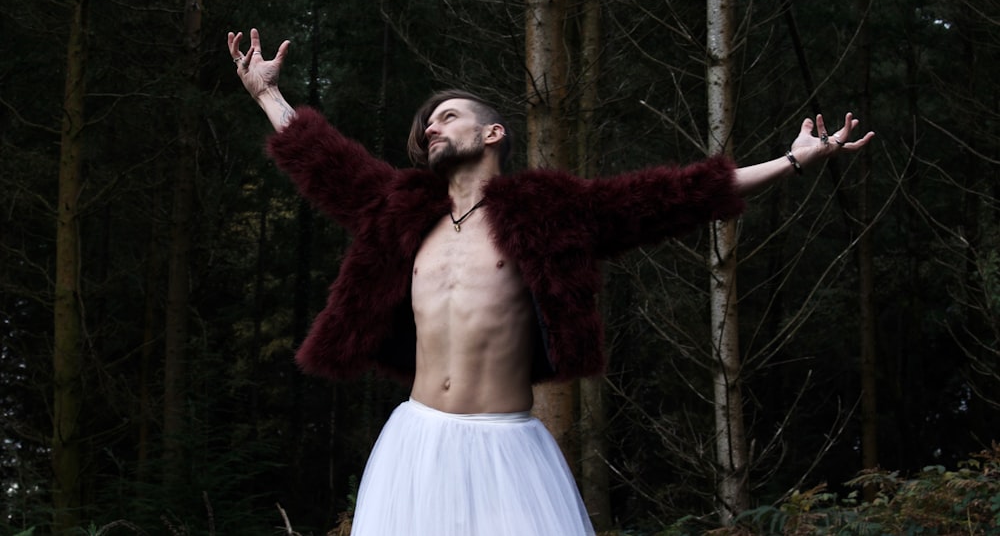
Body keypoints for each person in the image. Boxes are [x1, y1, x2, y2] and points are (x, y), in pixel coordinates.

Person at [227, 28, 874, 536]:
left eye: (447, 116)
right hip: (415, 445)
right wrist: (266, 94)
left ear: (493, 132)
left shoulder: (548, 214)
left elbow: (671, 197)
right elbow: (326, 161)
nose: (432, 126)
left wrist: (794, 159)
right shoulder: (400, 211)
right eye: (427, 125)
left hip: (509, 451)